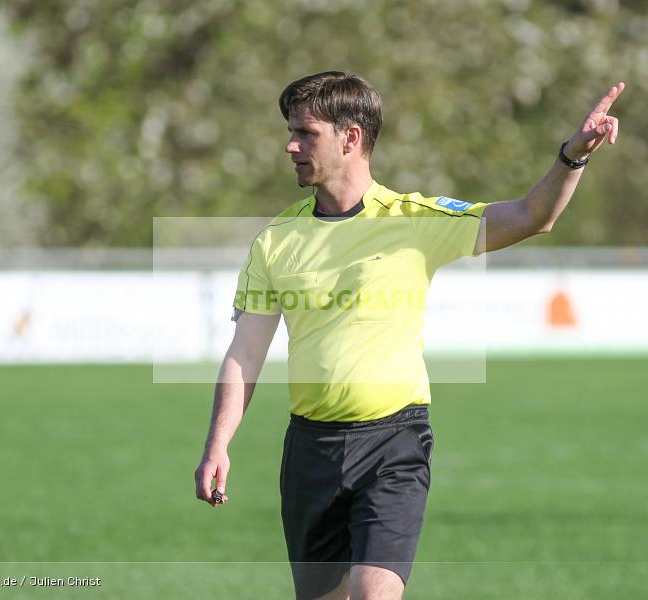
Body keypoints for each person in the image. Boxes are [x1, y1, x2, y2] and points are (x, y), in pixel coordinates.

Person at [195, 71, 624, 600]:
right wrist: (218, 444)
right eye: (291, 132)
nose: (291, 146)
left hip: (392, 445)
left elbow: (531, 216)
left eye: (306, 133)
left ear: (350, 138)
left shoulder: (414, 220)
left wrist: (572, 157)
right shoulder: (274, 241)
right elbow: (245, 353)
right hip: (310, 451)